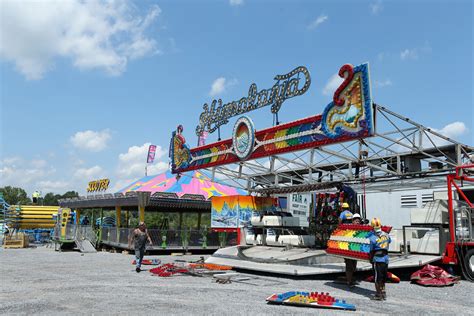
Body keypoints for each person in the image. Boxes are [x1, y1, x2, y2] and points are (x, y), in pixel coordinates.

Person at [368, 218, 391, 300]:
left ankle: (378, 294)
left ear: (372, 227)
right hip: (385, 258)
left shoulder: (372, 238)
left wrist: (370, 259)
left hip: (377, 259)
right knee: (383, 276)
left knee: (377, 277)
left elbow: (371, 251)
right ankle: (383, 292)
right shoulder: (386, 235)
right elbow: (389, 241)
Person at [344, 213, 362, 287]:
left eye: (358, 221)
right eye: (356, 221)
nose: (357, 222)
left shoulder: (361, 229)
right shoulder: (348, 228)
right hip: (348, 250)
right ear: (352, 221)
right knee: (349, 266)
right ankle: (349, 282)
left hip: (356, 250)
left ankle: (351, 279)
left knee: (354, 266)